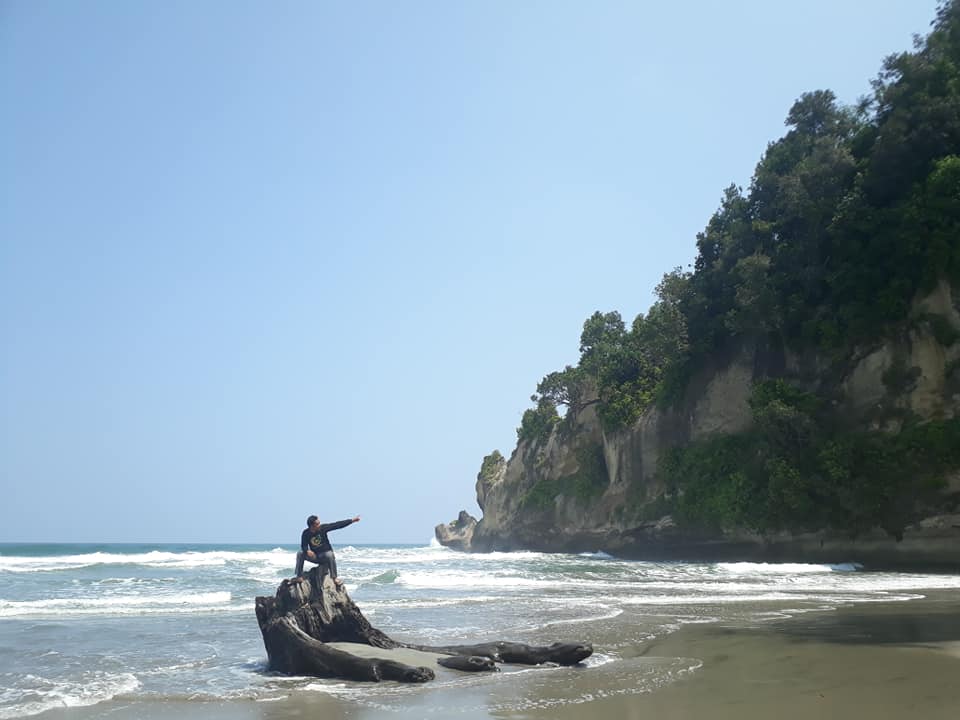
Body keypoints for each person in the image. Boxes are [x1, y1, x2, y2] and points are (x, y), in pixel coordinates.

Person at [295, 514, 360, 586]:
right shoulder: (306, 533)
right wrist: (307, 550)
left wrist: (352, 520)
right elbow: (303, 545)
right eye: (317, 524)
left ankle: (334, 578)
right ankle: (299, 576)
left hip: (325, 557)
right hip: (315, 556)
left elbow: (337, 525)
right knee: (300, 553)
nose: (319, 525)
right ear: (312, 526)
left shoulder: (323, 528)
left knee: (330, 554)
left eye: (319, 523)